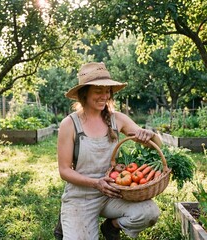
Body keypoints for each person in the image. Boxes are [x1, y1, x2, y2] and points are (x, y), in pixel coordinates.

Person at [56, 62, 163, 240]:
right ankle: (69, 219)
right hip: (81, 196)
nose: (104, 96)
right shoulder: (70, 124)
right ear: (85, 93)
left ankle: (111, 227)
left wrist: (150, 136)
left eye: (107, 91)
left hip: (113, 193)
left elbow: (155, 145)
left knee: (149, 212)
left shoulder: (117, 119)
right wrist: (96, 183)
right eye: (98, 91)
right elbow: (64, 171)